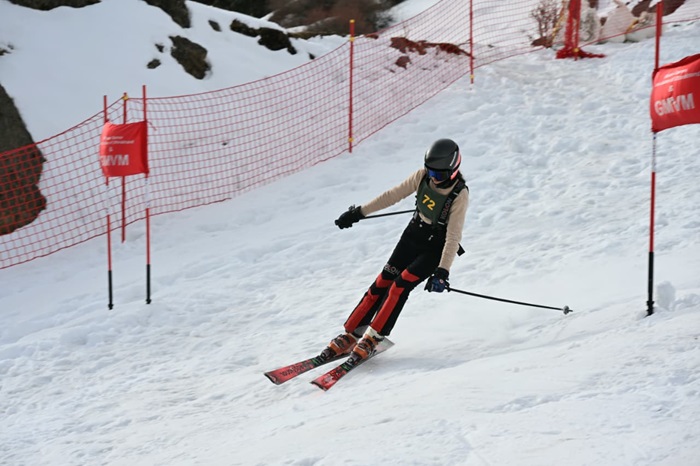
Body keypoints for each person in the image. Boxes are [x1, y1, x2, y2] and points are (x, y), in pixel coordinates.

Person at [322, 138, 470, 366]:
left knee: (400, 286)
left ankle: (373, 338)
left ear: (452, 170)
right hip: (413, 235)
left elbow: (453, 237)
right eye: (430, 171)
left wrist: (442, 271)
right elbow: (392, 195)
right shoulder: (422, 176)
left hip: (435, 248)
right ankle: (352, 334)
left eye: (438, 174)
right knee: (383, 281)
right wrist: (358, 213)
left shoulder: (459, 195)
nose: (432, 177)